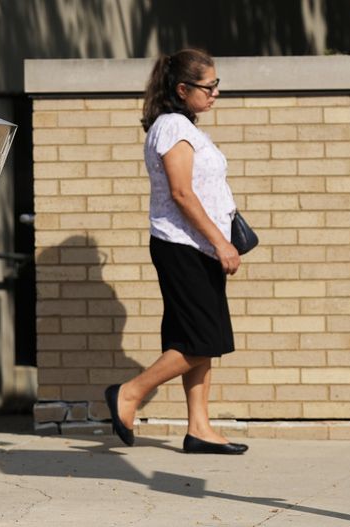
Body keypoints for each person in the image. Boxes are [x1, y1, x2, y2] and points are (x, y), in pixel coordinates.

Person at [104, 49, 247, 454]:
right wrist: (220, 242)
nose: (215, 93)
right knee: (204, 340)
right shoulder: (172, 127)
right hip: (184, 247)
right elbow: (182, 194)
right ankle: (129, 393)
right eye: (209, 86)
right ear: (183, 89)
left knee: (193, 338)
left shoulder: (182, 126)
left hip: (195, 247)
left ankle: (199, 428)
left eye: (216, 84)